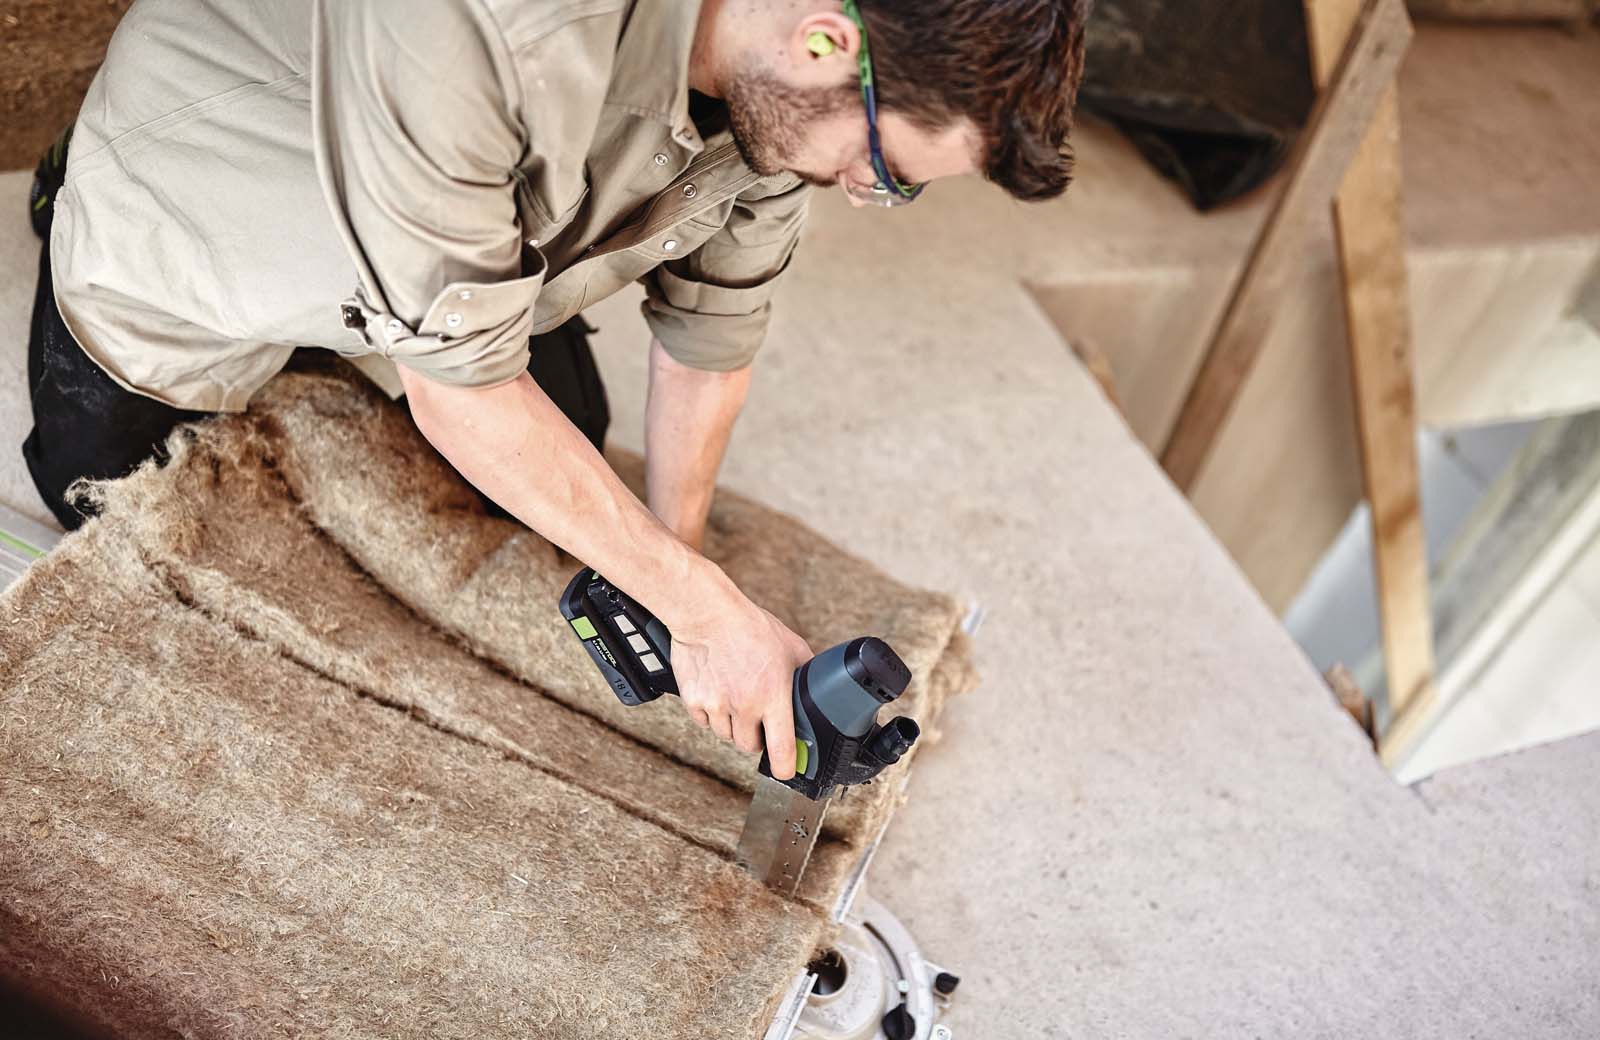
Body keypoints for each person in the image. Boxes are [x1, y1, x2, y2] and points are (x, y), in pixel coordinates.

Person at [23, 0, 1089, 777]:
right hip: (210, 188)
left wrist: (671, 578)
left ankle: (444, 299)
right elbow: (465, 397)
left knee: (567, 470)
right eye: (887, 169)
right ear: (825, 41)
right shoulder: (494, 22)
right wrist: (704, 610)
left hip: (463, 248)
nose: (864, 191)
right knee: (126, 526)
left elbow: (713, 329)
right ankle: (72, 187)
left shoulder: (779, 85)